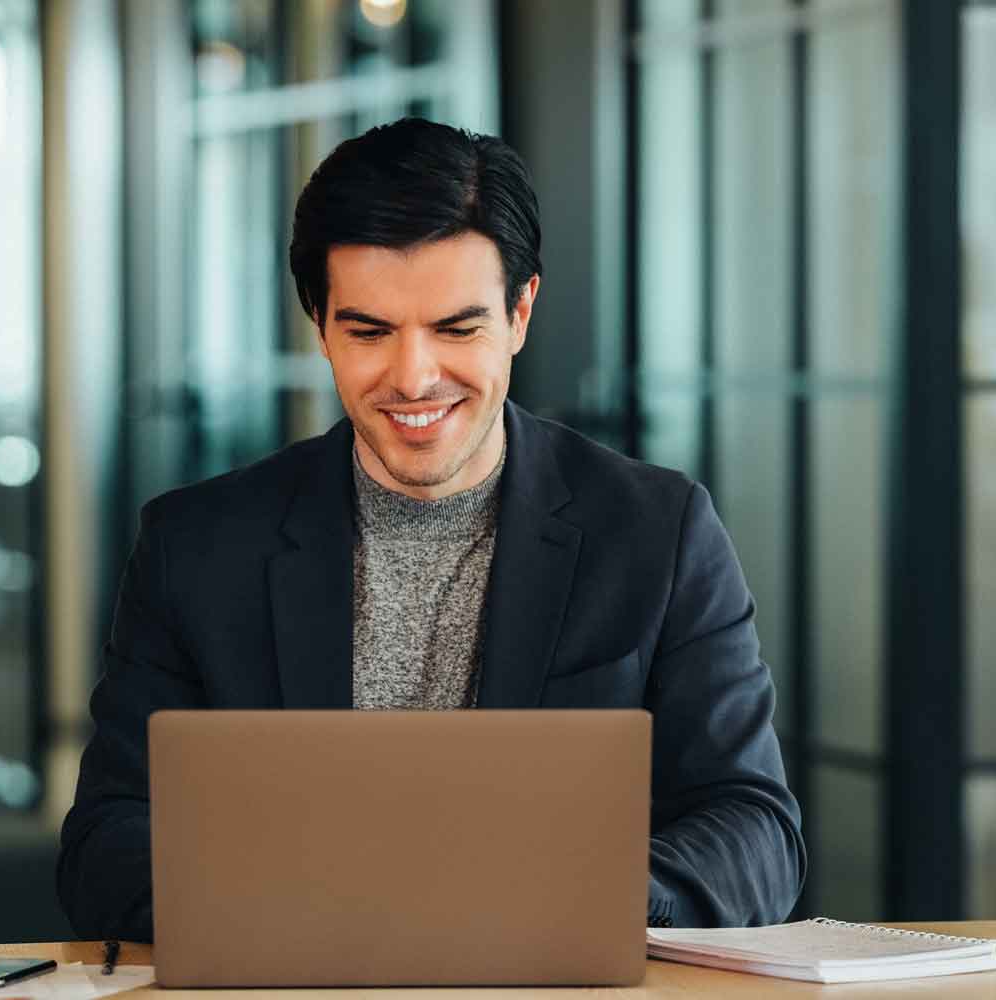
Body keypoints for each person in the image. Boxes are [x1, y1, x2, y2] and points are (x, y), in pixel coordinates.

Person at [57, 118, 805, 940]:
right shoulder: (194, 547)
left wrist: (584, 900)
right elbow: (105, 844)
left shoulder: (659, 533)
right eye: (369, 331)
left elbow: (755, 829)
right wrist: (313, 911)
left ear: (521, 312)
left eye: (457, 329)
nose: (414, 377)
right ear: (319, 324)